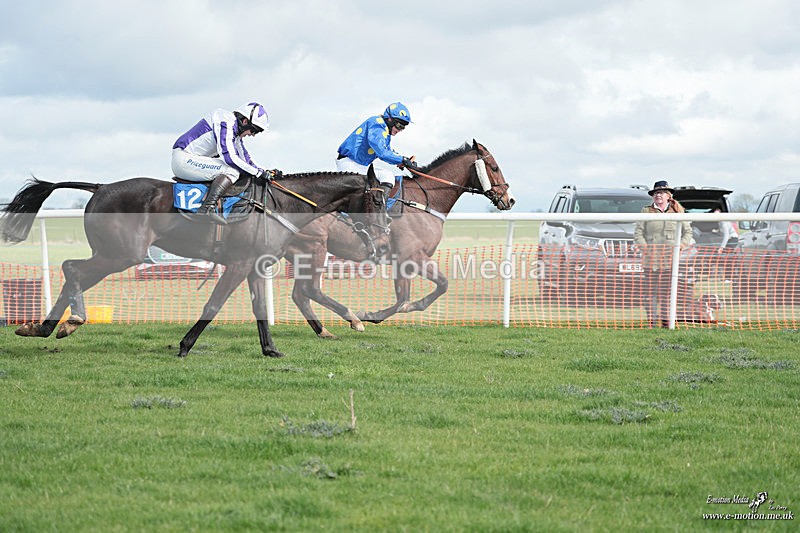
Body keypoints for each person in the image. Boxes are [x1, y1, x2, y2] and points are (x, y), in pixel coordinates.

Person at [172, 102, 276, 225]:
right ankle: (207, 208)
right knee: (231, 170)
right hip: (183, 160)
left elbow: (245, 159)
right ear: (244, 122)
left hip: (192, 160)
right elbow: (230, 158)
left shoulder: (235, 132)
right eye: (254, 130)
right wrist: (258, 173)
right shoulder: (225, 121)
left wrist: (264, 171)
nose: (252, 135)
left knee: (237, 169)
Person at [634, 180, 693, 328]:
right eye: (655, 193)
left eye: (661, 193)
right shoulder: (646, 211)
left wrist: (680, 247)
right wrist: (646, 249)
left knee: (667, 293)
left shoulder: (678, 210)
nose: (658, 195)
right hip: (651, 260)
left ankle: (667, 322)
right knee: (650, 294)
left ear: (668, 195)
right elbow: (638, 234)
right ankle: (652, 322)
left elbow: (688, 233)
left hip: (670, 260)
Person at [336, 102, 417, 191]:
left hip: (363, 166)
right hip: (350, 164)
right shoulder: (377, 124)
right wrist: (402, 159)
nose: (400, 130)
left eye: (403, 127)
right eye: (399, 126)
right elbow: (382, 153)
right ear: (390, 119)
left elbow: (388, 151)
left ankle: (382, 204)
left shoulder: (385, 131)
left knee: (388, 176)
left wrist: (402, 162)